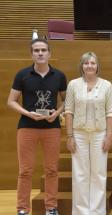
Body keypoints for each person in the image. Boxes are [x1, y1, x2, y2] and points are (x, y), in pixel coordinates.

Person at [7, 38, 67, 215]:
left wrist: (57, 113)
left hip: (52, 128)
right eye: (36, 50)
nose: (40, 53)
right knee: (25, 171)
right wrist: (27, 113)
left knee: (51, 170)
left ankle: (51, 208)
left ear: (50, 53)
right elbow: (11, 101)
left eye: (43, 50)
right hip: (27, 127)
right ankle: (23, 209)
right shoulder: (22, 75)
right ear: (31, 54)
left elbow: (66, 101)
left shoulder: (59, 76)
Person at [65, 52, 112, 215]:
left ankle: (97, 211)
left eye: (93, 63)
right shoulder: (73, 85)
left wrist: (109, 135)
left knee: (98, 174)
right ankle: (81, 212)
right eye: (86, 63)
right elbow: (68, 111)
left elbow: (110, 112)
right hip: (78, 134)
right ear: (82, 66)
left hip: (100, 134)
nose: (89, 66)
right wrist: (69, 136)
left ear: (97, 66)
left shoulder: (107, 85)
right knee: (80, 174)